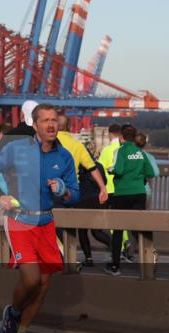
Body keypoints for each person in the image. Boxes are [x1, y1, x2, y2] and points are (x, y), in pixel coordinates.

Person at [0, 103, 79, 333]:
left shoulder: (64, 156)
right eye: (44, 120)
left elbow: (75, 195)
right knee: (31, 278)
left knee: (44, 284)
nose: (51, 124)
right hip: (20, 220)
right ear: (34, 126)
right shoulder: (16, 148)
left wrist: (63, 191)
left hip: (46, 222)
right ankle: (12, 312)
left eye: (54, 119)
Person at [55, 114, 109, 267]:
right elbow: (92, 167)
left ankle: (64, 258)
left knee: (49, 226)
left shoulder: (48, 142)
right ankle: (70, 257)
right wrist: (103, 188)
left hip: (52, 191)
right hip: (72, 192)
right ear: (70, 127)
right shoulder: (77, 145)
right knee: (70, 228)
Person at [104, 124, 155, 277]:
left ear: (122, 137)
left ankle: (115, 266)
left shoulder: (120, 151)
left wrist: (109, 170)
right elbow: (150, 172)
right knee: (138, 227)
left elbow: (118, 170)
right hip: (139, 193)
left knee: (118, 230)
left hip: (122, 194)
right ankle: (149, 261)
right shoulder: (140, 152)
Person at [74, 138, 114, 267]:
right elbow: (105, 183)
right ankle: (115, 248)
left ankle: (89, 258)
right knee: (97, 232)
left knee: (82, 231)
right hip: (98, 201)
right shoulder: (99, 166)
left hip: (83, 200)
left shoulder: (80, 166)